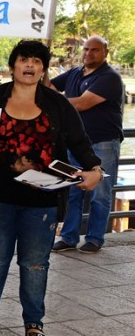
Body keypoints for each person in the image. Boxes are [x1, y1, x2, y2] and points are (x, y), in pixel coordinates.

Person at [0, 40, 103, 336]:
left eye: (37, 61)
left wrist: (95, 168)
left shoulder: (57, 104)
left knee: (35, 263)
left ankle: (33, 322)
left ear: (43, 69)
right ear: (13, 66)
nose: (30, 66)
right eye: (24, 60)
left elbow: (79, 141)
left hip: (43, 202)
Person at [50, 36, 124, 254]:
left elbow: (81, 104)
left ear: (105, 52)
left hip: (103, 144)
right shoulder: (75, 73)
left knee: (100, 193)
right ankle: (69, 237)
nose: (88, 54)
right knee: (72, 191)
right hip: (74, 143)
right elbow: (47, 86)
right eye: (86, 49)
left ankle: (95, 238)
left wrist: (55, 103)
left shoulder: (109, 77)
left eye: (95, 50)